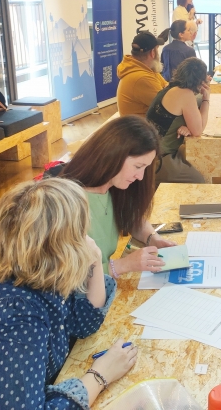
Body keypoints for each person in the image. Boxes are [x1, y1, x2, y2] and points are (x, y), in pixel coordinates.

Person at [0, 179, 137, 408]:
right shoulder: (9, 319)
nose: (86, 240)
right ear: (58, 246)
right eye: (80, 232)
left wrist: (95, 262)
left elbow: (83, 322)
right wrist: (99, 376)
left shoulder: (31, 268)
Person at [55, 116, 177, 277]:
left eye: (145, 168)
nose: (140, 177)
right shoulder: (65, 203)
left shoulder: (114, 187)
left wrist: (152, 238)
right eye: (138, 166)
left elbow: (132, 218)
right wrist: (121, 265)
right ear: (113, 155)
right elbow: (64, 276)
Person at [146, 57, 208, 184]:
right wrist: (207, 98)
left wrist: (186, 125)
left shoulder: (169, 89)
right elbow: (198, 130)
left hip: (149, 151)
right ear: (200, 81)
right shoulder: (185, 94)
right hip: (158, 160)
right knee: (199, 181)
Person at [116, 31, 167, 117]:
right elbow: (168, 106)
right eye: (157, 49)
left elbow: (166, 85)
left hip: (145, 124)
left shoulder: (145, 68)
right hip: (143, 129)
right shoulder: (142, 78)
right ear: (152, 53)